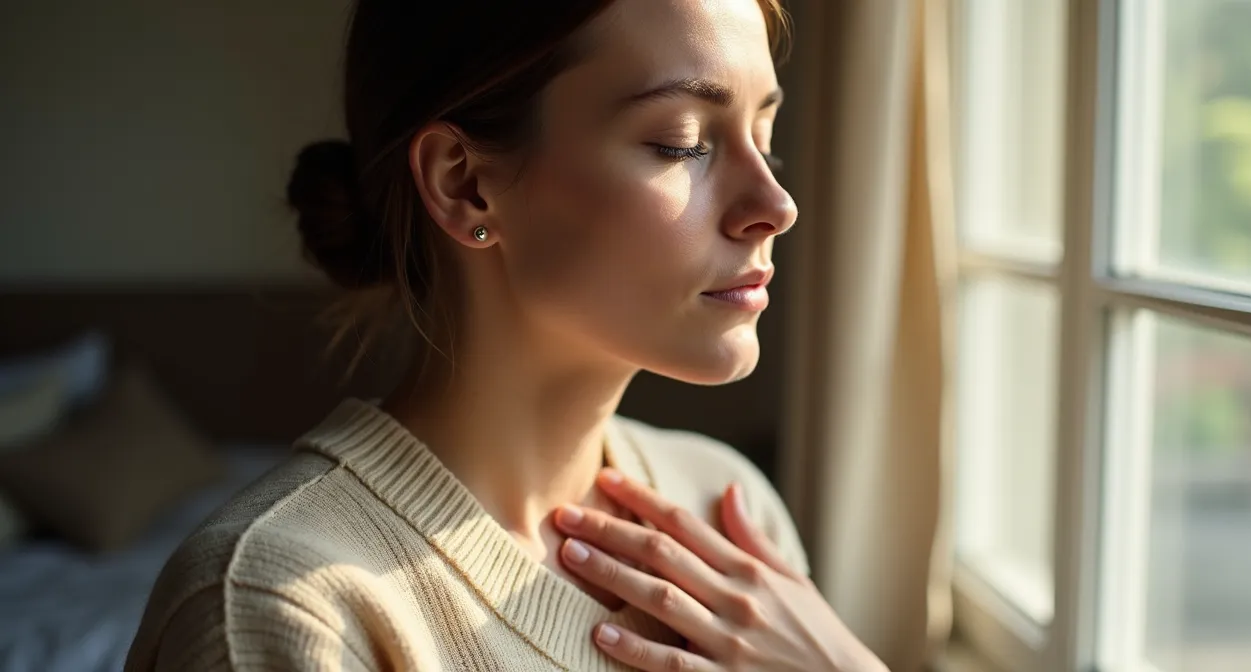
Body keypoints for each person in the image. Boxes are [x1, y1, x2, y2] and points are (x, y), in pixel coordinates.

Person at [127, 1, 888, 670]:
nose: (775, 204)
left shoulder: (728, 516)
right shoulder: (280, 605)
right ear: (465, 182)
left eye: (766, 133)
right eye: (683, 142)